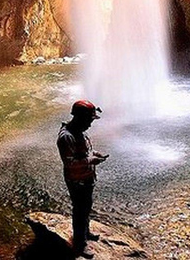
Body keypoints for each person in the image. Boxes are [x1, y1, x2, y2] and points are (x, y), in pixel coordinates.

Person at [57, 100, 108, 259]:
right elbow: (70, 163)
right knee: (79, 210)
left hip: (85, 178)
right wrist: (91, 161)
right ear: (79, 118)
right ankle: (80, 244)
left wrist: (95, 153)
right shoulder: (66, 137)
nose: (90, 125)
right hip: (76, 180)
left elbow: (85, 150)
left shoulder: (80, 131)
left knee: (86, 207)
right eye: (89, 120)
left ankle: (85, 233)